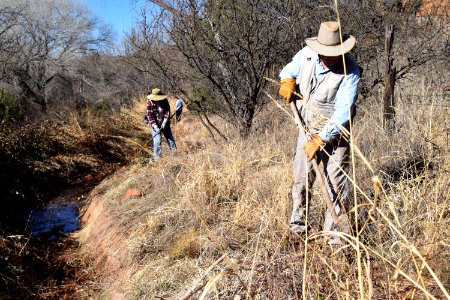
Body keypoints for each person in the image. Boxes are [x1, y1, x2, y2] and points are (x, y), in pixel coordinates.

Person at [278, 21, 361, 245]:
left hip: (336, 136)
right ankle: (298, 229)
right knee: (301, 181)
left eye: (334, 53)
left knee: (335, 185)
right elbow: (288, 70)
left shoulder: (350, 70)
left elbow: (344, 111)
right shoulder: (306, 55)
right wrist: (287, 81)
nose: (329, 57)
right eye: (325, 53)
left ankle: (336, 239)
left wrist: (321, 139)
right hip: (305, 129)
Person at [146, 88, 177, 160]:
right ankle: (157, 159)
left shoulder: (165, 101)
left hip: (165, 124)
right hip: (155, 125)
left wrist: (164, 123)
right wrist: (155, 126)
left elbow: (167, 113)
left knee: (170, 139)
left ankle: (175, 155)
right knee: (157, 141)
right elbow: (150, 116)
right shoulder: (149, 102)